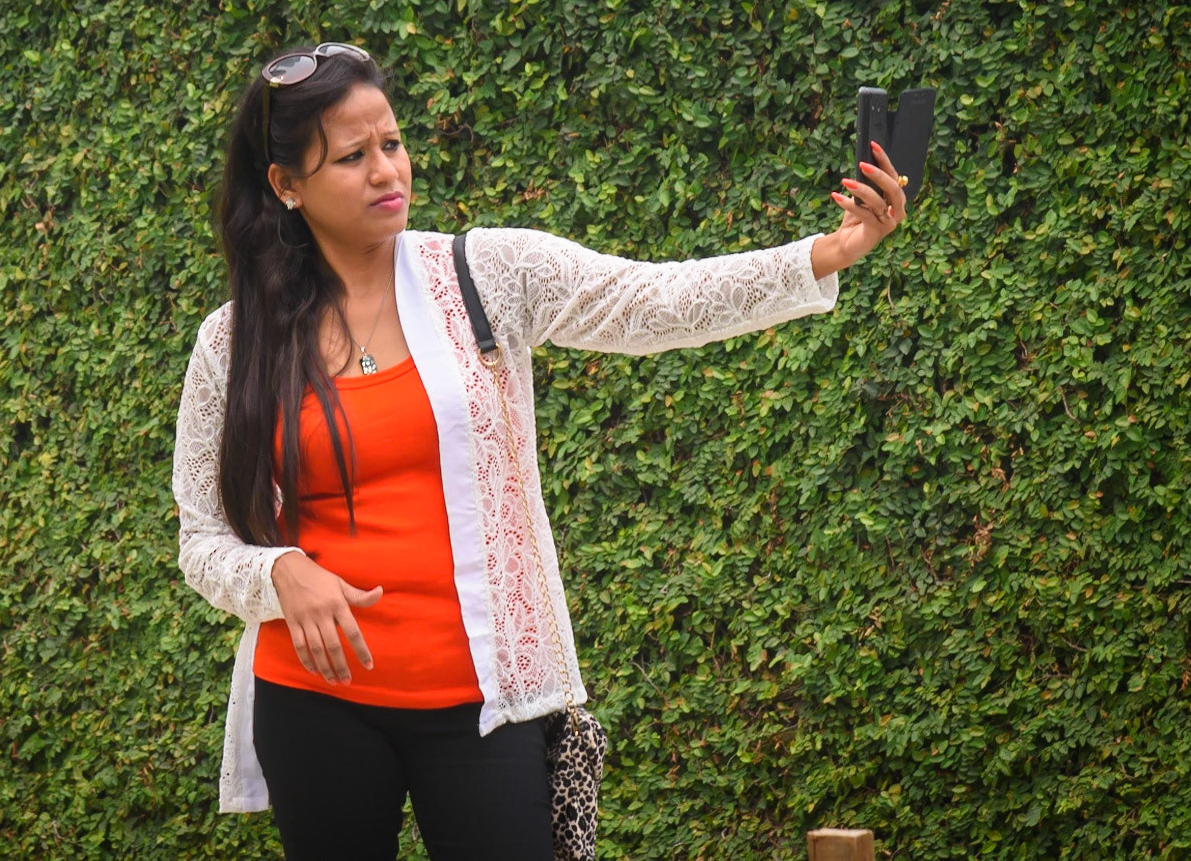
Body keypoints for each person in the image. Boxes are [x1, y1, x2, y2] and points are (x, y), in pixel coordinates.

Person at [170, 42, 908, 861]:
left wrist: (826, 253)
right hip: (314, 703)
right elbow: (201, 540)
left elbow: (655, 299)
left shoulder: (484, 274)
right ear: (287, 185)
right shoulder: (234, 342)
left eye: (393, 143)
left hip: (486, 700)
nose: (387, 172)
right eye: (352, 157)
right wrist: (278, 573)